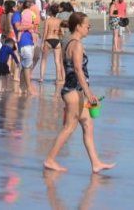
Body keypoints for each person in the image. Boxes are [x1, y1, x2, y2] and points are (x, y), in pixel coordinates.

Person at [43, 12, 115, 174]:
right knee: (69, 128)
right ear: (78, 26)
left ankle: (96, 162)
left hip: (76, 91)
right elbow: (77, 69)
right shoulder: (76, 44)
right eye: (87, 25)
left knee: (88, 125)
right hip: (73, 92)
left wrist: (86, 92)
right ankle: (50, 159)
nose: (89, 28)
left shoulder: (68, 41)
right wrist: (89, 93)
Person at [12, 0, 37, 94]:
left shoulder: (27, 13)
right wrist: (30, 26)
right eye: (21, 3)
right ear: (19, 4)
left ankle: (22, 87)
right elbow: (18, 27)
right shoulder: (17, 15)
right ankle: (29, 87)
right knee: (27, 65)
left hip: (29, 41)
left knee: (28, 64)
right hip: (23, 42)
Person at [36, 2, 65, 83]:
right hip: (57, 41)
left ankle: (41, 78)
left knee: (44, 59)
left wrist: (42, 43)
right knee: (57, 61)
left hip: (48, 40)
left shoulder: (47, 20)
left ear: (50, 12)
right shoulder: (60, 21)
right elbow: (62, 33)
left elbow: (45, 32)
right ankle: (58, 79)